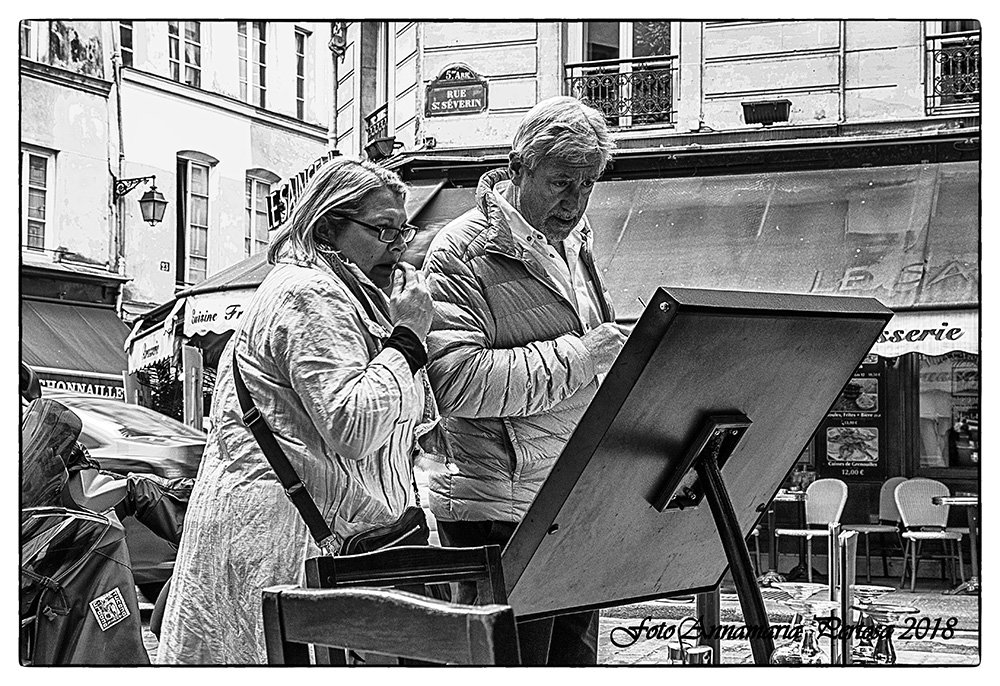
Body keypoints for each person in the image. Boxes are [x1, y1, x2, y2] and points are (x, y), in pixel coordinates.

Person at [157, 157, 437, 664]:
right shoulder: (310, 293)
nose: (397, 248)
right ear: (327, 227)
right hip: (288, 545)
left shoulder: (347, 295)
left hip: (294, 540)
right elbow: (353, 424)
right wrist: (409, 339)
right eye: (382, 231)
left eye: (403, 232)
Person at [420, 96, 628, 665]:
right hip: (497, 508)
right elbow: (455, 382)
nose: (575, 202)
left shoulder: (577, 242)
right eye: (561, 182)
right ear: (518, 167)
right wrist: (584, 356)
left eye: (588, 185)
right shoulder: (461, 250)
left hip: (567, 498)